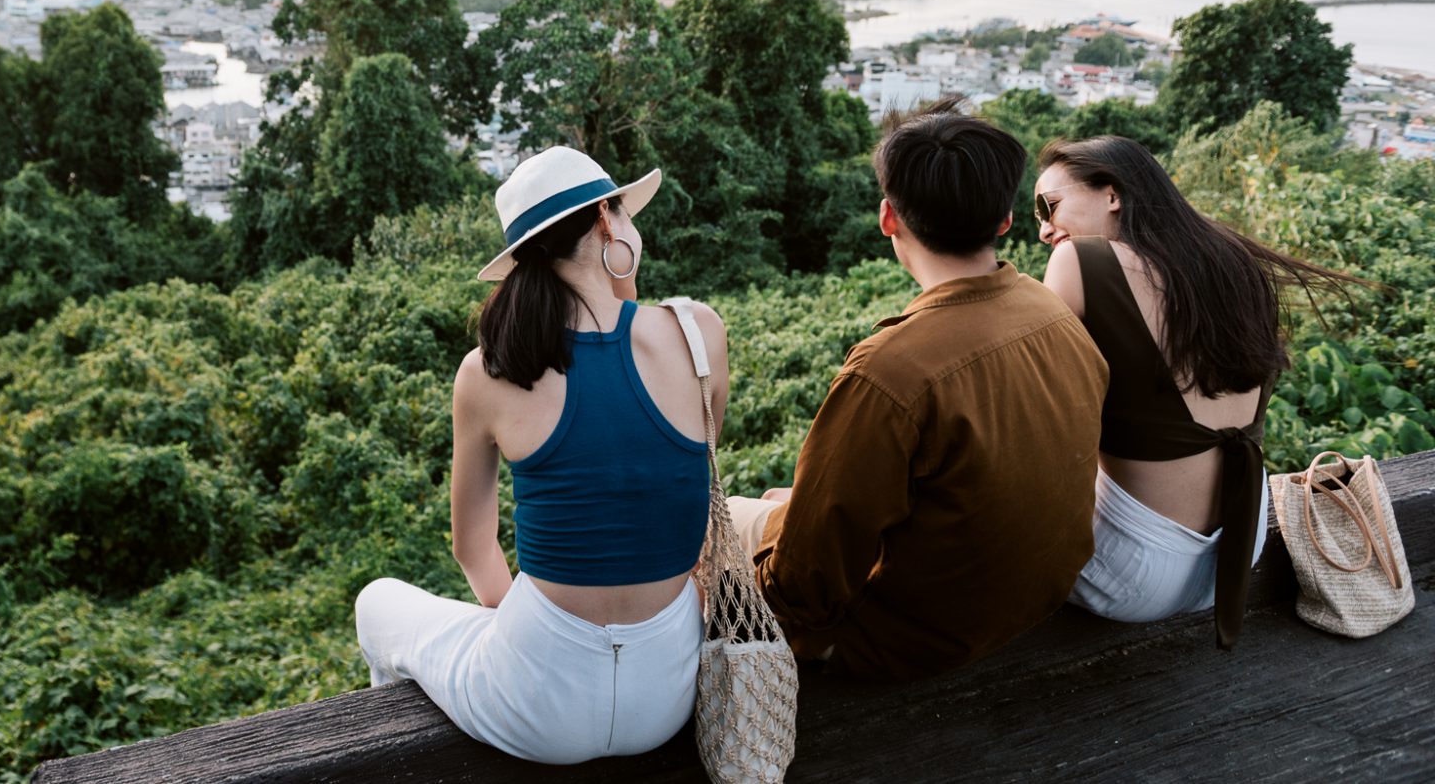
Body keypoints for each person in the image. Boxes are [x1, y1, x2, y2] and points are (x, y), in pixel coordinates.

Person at [355, 146, 727, 764]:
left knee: (376, 601)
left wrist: (538, 635)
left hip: (534, 705)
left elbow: (471, 546)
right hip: (669, 696)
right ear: (608, 220)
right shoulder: (699, 336)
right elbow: (683, 480)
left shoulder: (487, 371)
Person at [730, 100, 1107, 681]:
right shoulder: (1052, 312)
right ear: (1004, 221)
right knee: (790, 499)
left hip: (914, 639)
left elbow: (802, 589)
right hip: (1032, 599)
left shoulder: (889, 372)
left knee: (723, 519)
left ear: (888, 218)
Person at [1033, 134, 1360, 647]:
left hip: (1130, 573)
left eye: (1048, 206)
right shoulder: (1233, 261)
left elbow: (1032, 405)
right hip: (1235, 551)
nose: (1045, 229)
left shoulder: (1081, 261)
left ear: (1111, 194)